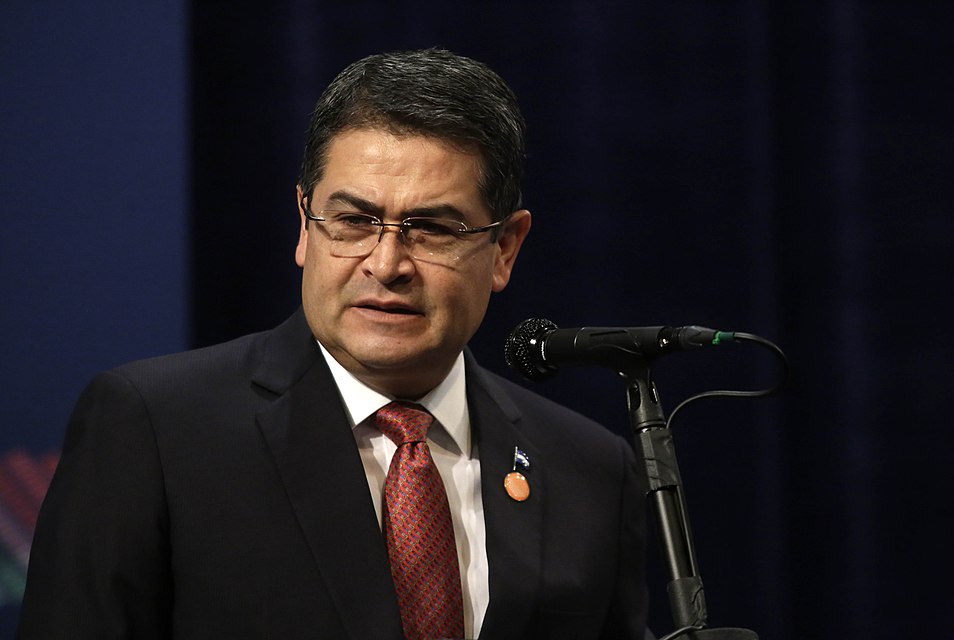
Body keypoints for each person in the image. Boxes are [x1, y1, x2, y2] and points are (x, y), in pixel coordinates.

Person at [17, 48, 649, 639]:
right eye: (353, 221)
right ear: (304, 225)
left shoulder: (588, 469)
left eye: (431, 229)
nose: (387, 264)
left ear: (504, 248)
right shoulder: (154, 428)